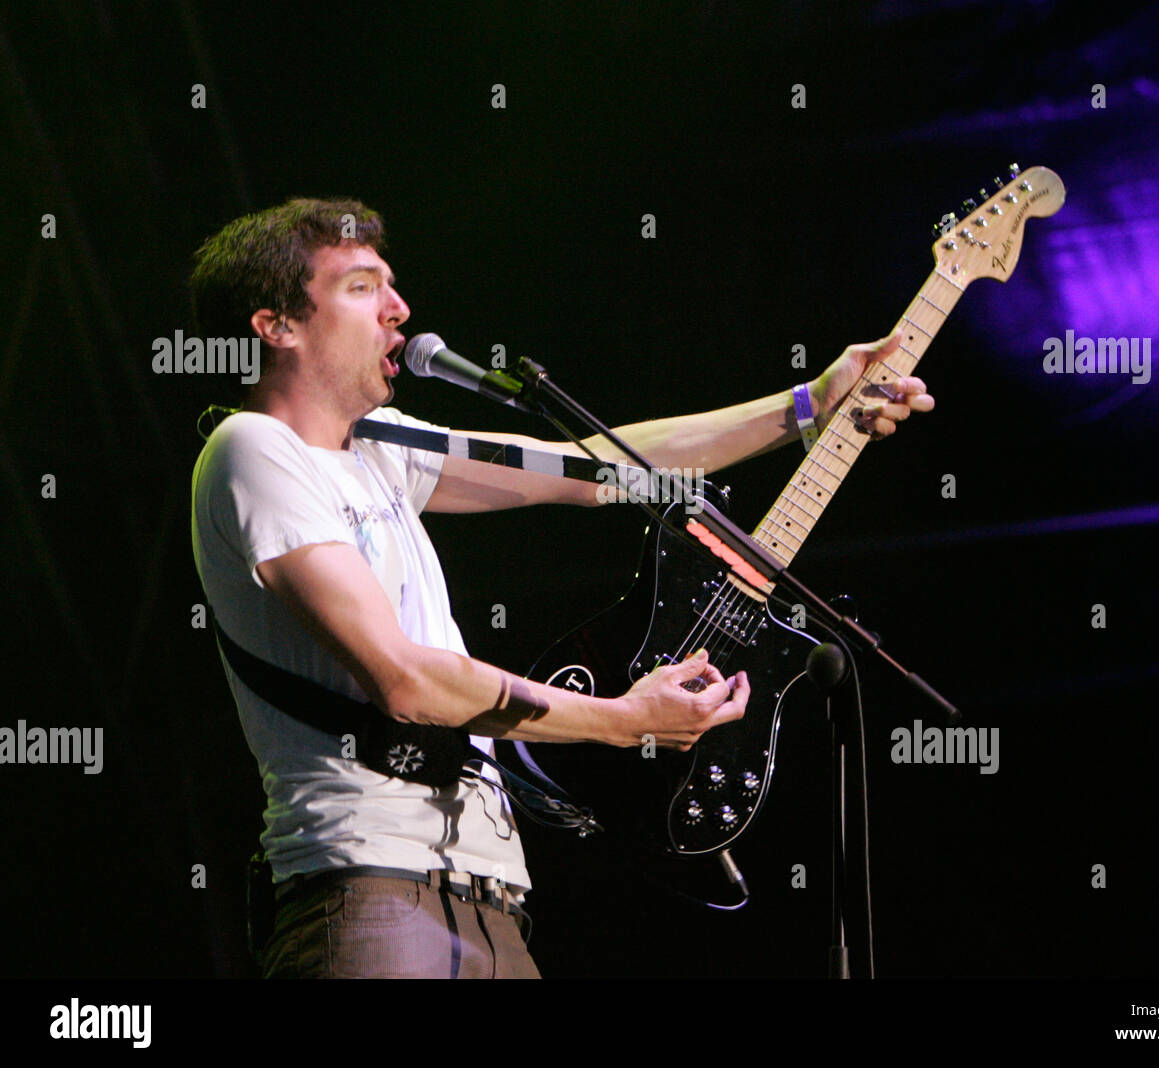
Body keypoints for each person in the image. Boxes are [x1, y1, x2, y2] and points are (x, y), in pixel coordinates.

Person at [188, 197, 933, 979]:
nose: (400, 311)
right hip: (369, 886)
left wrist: (809, 404)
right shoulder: (254, 447)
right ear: (277, 326)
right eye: (363, 287)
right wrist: (621, 720)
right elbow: (405, 680)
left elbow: (598, 470)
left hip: (490, 897)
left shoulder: (383, 448)